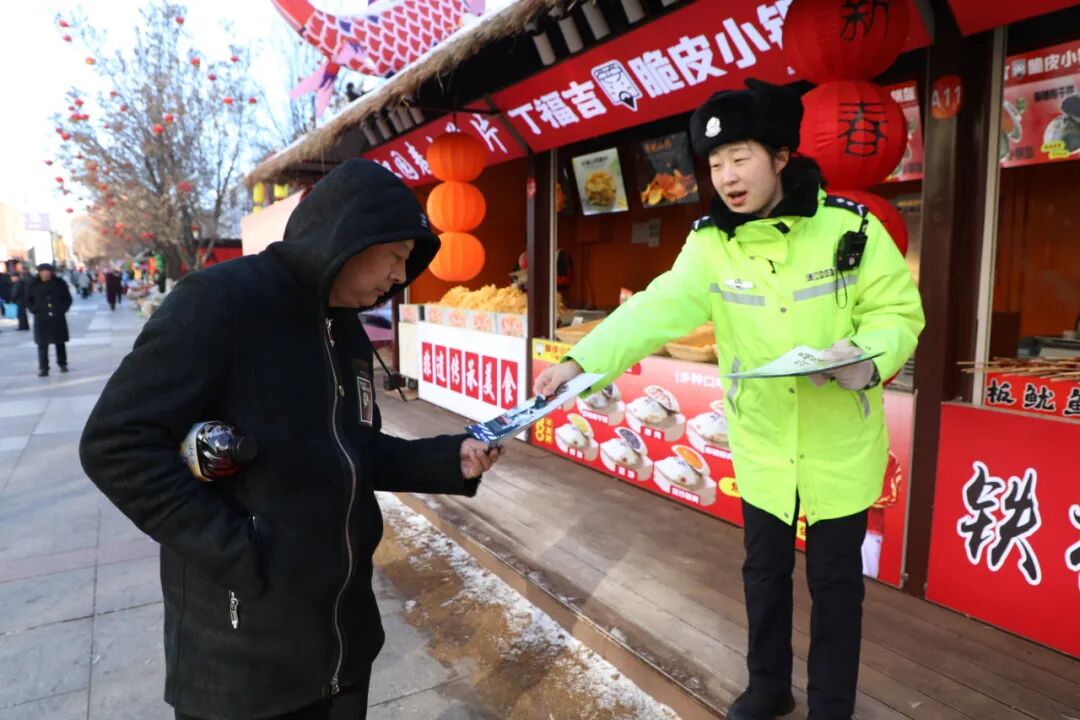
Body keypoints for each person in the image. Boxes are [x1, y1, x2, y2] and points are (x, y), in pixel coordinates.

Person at [534, 79, 924, 720]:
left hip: (839, 441)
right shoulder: (711, 244)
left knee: (835, 584)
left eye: (740, 158)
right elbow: (655, 309)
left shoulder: (850, 229)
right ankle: (768, 687)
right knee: (763, 573)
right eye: (715, 165)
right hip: (763, 440)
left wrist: (866, 358)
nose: (727, 177)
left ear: (780, 156)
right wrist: (582, 360)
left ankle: (831, 705)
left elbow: (896, 313)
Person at [79, 159, 503, 720]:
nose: (401, 276)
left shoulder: (345, 326)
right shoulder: (222, 301)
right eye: (397, 255)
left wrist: (450, 459)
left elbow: (355, 447)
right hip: (242, 650)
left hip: (343, 641)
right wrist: (237, 552)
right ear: (350, 237)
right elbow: (116, 442)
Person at [27, 263, 73, 377]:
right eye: (43, 271)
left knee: (60, 342)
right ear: (39, 273)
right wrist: (34, 309)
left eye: (48, 271)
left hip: (57, 318)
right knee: (42, 344)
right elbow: (28, 300)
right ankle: (44, 368)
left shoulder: (59, 283)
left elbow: (68, 298)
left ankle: (62, 363)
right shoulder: (33, 285)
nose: (45, 274)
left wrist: (62, 309)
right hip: (41, 319)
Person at [13, 265, 31, 330]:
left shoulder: (19, 282)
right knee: (22, 314)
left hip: (20, 300)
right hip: (22, 300)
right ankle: (24, 326)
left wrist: (13, 299)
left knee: (21, 314)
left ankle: (22, 326)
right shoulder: (23, 280)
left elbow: (15, 293)